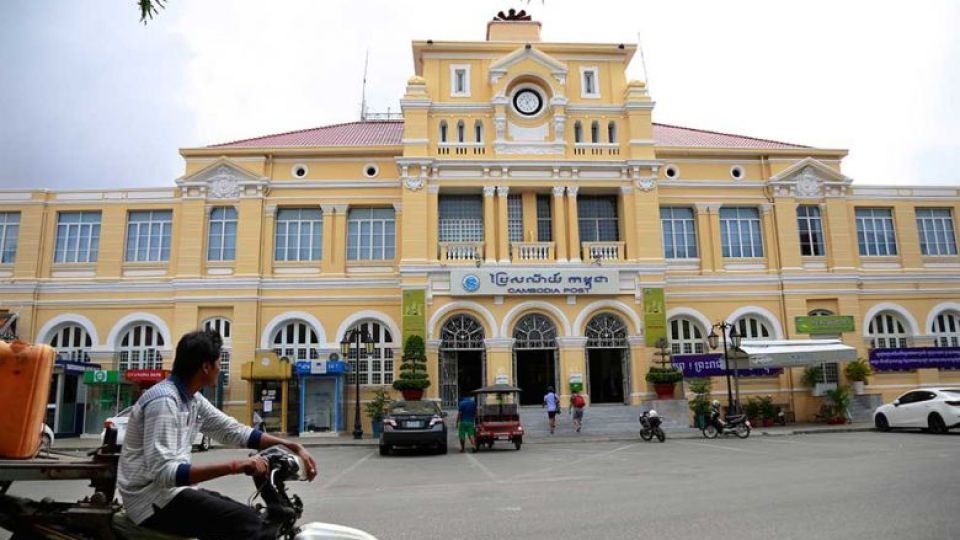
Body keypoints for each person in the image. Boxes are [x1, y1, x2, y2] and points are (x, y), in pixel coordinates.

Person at [117, 329, 318, 540]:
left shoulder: (190, 398)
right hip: (150, 501)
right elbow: (166, 473)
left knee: (252, 515)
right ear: (205, 366)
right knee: (249, 524)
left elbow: (232, 431)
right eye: (219, 362)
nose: (220, 368)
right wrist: (236, 466)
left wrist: (291, 446)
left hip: (171, 494)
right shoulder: (165, 401)